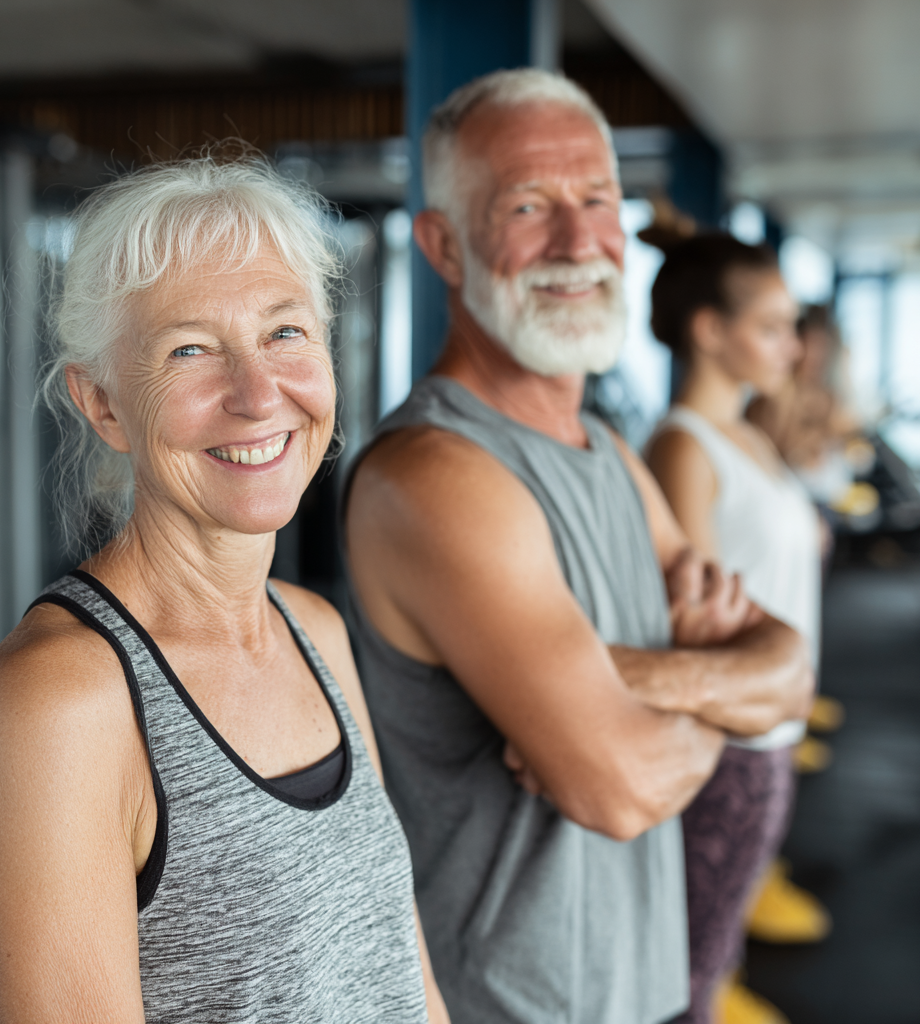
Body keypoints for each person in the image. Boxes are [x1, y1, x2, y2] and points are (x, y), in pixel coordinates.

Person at [343, 68, 813, 1024]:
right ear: (441, 243)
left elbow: (790, 668)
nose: (577, 242)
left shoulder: (605, 451)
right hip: (508, 1005)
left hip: (639, 980)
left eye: (597, 199)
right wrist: (720, 691)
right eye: (527, 204)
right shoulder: (436, 473)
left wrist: (638, 680)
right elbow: (626, 787)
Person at [0, 156, 448, 1024]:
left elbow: (401, 973)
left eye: (285, 333)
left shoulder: (314, 631)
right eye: (190, 349)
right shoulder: (63, 699)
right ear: (104, 404)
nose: (259, 395)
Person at [645, 234, 827, 1024]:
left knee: (717, 942)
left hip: (770, 721)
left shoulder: (751, 434)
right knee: (690, 965)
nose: (792, 345)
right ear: (709, 330)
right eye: (772, 325)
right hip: (727, 742)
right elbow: (694, 619)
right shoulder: (683, 445)